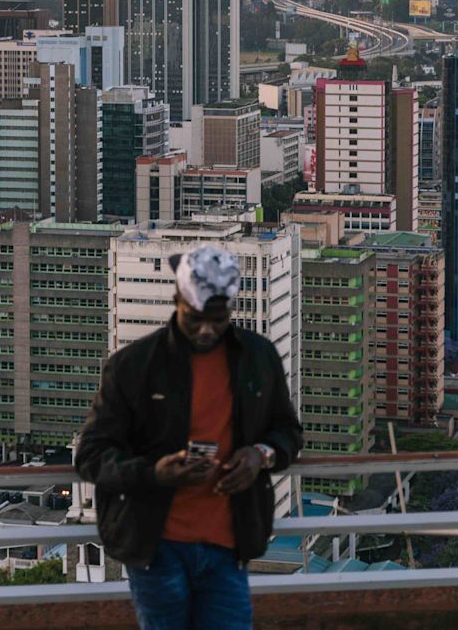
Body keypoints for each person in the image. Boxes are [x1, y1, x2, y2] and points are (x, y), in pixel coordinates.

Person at [75, 244, 303, 630]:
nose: (206, 330)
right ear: (177, 300)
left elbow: (288, 432)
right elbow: (91, 455)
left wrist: (260, 456)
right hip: (156, 545)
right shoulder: (133, 367)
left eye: (218, 320)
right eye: (195, 318)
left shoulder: (258, 358)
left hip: (229, 543)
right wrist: (154, 473)